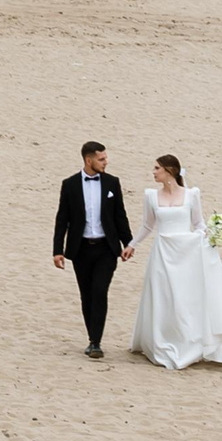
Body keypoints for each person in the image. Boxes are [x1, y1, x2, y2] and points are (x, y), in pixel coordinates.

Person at [129, 154, 222, 369]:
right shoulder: (151, 196)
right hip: (162, 253)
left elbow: (198, 224)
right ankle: (162, 339)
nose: (153, 172)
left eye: (157, 168)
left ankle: (190, 341)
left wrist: (207, 238)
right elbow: (147, 226)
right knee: (164, 297)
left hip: (186, 254)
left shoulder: (191, 195)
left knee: (186, 298)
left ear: (169, 170)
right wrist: (132, 245)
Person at [52, 141, 133, 358]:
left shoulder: (112, 183)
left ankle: (96, 342)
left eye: (105, 158)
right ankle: (92, 338)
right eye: (101, 159)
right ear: (89, 160)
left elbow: (119, 215)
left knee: (99, 292)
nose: (106, 162)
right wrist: (57, 250)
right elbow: (63, 219)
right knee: (86, 295)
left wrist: (129, 243)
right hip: (81, 250)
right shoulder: (69, 185)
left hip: (106, 249)